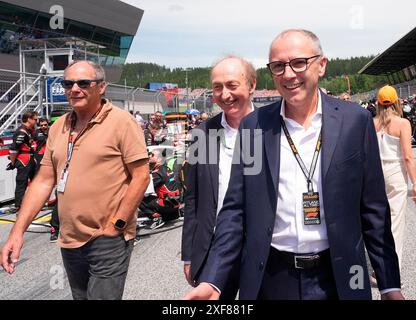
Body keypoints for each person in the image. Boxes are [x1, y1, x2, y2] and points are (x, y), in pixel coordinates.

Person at [184, 29, 403, 300]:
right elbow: (233, 209)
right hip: (273, 278)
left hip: (340, 275)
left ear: (321, 65)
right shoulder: (254, 127)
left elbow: (374, 210)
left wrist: (389, 285)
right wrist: (213, 280)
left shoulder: (355, 121)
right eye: (278, 66)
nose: (288, 74)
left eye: (299, 63)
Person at [0, 60, 150, 300]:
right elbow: (43, 181)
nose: (74, 89)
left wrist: (117, 225)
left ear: (101, 87)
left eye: (83, 83)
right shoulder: (58, 126)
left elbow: (141, 177)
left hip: (106, 238)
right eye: (68, 83)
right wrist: (17, 232)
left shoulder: (122, 122)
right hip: (69, 240)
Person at [181, 55, 257, 299]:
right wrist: (189, 253)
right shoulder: (200, 134)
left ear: (252, 86)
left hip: (262, 247)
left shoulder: (271, 129)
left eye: (232, 85)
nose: (225, 95)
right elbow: (192, 197)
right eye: (217, 87)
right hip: (214, 246)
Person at [373, 85, 416, 273]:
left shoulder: (372, 123)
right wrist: (415, 183)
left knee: (379, 221)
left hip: (376, 173)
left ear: (378, 103)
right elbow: (408, 156)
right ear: (397, 102)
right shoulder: (403, 123)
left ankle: (378, 263)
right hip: (395, 172)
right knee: (396, 222)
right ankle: (391, 268)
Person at [139, 150, 182, 230]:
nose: (149, 156)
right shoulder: (166, 168)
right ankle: (170, 215)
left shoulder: (157, 173)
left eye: (152, 155)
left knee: (138, 197)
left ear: (159, 159)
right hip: (175, 203)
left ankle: (156, 218)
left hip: (168, 205)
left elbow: (145, 191)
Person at [8, 111, 38, 213]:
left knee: (35, 183)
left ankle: (33, 204)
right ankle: (19, 206)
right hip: (24, 160)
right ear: (29, 119)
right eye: (35, 119)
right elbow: (13, 150)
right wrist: (13, 163)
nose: (36, 121)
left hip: (31, 159)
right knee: (22, 183)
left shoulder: (30, 130)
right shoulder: (21, 131)